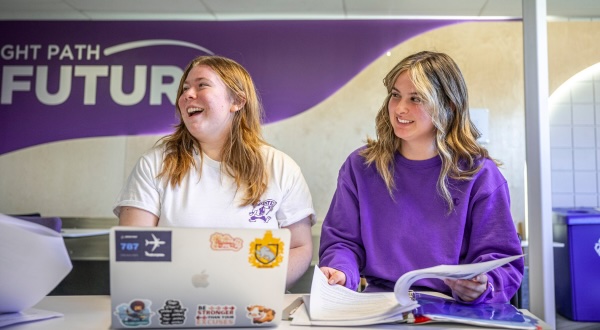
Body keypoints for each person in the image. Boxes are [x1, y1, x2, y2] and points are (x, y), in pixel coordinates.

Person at [318, 51, 524, 304]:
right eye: (395, 95)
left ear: (448, 106)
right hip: (379, 306)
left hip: (455, 309)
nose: (400, 108)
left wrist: (483, 287)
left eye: (416, 98)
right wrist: (341, 271)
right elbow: (342, 242)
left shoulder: (480, 174)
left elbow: (502, 262)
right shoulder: (361, 166)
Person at [113, 55, 315, 289]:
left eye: (202, 85)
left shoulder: (280, 167)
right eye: (185, 88)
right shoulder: (154, 164)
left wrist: (257, 285)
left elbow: (299, 247)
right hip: (174, 306)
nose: (188, 94)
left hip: (255, 308)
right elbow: (132, 249)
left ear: (237, 101)